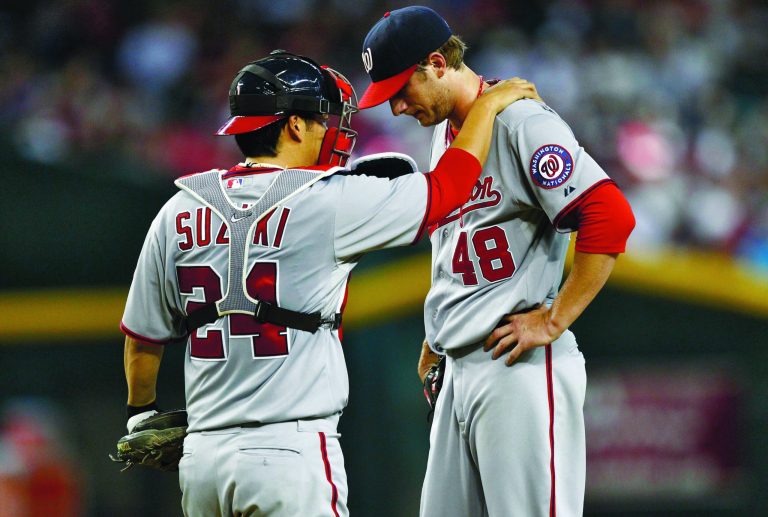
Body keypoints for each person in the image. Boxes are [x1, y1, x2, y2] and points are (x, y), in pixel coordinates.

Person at [119, 50, 540, 517]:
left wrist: (142, 413)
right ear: (295, 126)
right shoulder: (327, 199)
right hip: (289, 454)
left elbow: (142, 337)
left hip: (202, 465)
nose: (331, 130)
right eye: (322, 120)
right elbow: (447, 190)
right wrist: (486, 107)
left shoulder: (178, 208)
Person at [359, 6, 636, 517]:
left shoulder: (520, 120)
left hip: (516, 365)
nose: (396, 107)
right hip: (460, 366)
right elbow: (460, 240)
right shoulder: (449, 131)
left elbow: (610, 215)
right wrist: (439, 331)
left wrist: (554, 319)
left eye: (401, 89)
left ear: (436, 63)